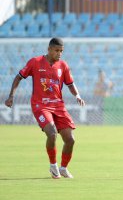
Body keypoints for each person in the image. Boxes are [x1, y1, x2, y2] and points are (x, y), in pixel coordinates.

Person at [4, 38, 85, 179]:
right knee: (52, 133)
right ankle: (53, 166)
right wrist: (11, 96)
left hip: (58, 106)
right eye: (57, 50)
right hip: (40, 105)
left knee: (70, 139)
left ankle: (63, 168)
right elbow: (18, 77)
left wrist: (77, 95)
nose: (59, 53)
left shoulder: (63, 65)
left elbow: (70, 84)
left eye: (61, 51)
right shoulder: (35, 62)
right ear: (49, 49)